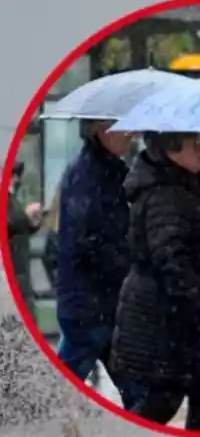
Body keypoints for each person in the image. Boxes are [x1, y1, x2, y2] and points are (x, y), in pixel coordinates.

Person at [110, 132, 200, 431]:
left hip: (188, 316)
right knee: (165, 399)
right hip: (169, 316)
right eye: (194, 143)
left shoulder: (190, 184)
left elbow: (192, 237)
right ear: (172, 150)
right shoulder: (164, 193)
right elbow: (170, 257)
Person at [53, 121, 144, 409]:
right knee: (61, 394)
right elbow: (82, 242)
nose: (131, 134)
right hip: (89, 307)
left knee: (139, 394)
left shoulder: (114, 172)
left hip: (108, 305)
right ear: (102, 131)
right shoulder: (84, 176)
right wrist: (124, 263)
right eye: (124, 128)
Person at [6, 160, 43, 305]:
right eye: (14, 175)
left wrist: (31, 223)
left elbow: (15, 231)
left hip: (19, 278)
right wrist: (25, 217)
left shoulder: (12, 200)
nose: (17, 180)